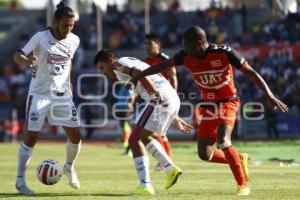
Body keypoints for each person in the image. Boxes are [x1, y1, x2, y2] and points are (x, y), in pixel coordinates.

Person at [129, 26, 289, 196]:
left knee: (223, 139)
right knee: (204, 153)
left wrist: (269, 95)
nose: (185, 50)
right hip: (209, 105)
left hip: (228, 102)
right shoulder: (185, 56)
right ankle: (239, 159)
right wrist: (138, 76)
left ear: (199, 43)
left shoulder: (225, 53)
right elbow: (162, 66)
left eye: (187, 46)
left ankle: (242, 185)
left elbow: (251, 73)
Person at [94, 49, 193, 195]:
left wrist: (154, 94)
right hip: (169, 98)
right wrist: (176, 117)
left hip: (159, 99)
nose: (102, 72)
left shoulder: (119, 65)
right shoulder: (127, 62)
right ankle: (170, 169)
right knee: (144, 137)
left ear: (110, 60)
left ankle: (146, 185)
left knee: (134, 139)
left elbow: (136, 73)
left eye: (102, 67)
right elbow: (140, 76)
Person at [13, 2, 81, 195]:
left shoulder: (74, 40)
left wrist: (68, 90)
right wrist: (27, 62)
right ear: (55, 22)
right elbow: (17, 55)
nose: (68, 29)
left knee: (76, 134)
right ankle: (20, 181)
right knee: (31, 136)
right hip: (40, 94)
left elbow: (67, 65)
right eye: (65, 25)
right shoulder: (41, 37)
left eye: (71, 25)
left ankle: (69, 166)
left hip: (62, 96)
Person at [144, 33, 177, 171]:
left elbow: (173, 77)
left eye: (150, 44)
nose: (147, 47)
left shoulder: (165, 59)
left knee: (155, 132)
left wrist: (174, 96)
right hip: (152, 99)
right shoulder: (144, 62)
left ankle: (165, 162)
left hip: (165, 99)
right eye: (146, 44)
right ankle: (166, 161)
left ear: (158, 45)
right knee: (160, 133)